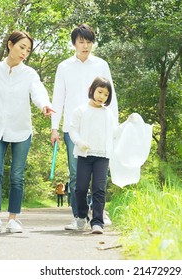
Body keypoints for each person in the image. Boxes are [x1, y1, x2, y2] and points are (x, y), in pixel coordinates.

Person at [0, 31, 54, 233]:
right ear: (10, 45)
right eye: (21, 47)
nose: (24, 53)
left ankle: (13, 219)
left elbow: (38, 91)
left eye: (28, 50)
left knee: (17, 176)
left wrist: (44, 105)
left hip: (21, 130)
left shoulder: (29, 73)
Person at [51, 24, 118, 230]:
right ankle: (79, 217)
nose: (85, 46)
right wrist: (54, 127)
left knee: (99, 174)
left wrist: (115, 126)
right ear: (74, 43)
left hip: (100, 127)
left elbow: (112, 97)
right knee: (76, 175)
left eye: (89, 42)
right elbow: (58, 97)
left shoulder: (101, 64)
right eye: (81, 41)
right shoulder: (64, 67)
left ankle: (98, 214)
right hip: (74, 128)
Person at [69, 77, 117, 234]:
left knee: (98, 189)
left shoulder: (108, 113)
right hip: (84, 155)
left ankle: (97, 222)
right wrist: (79, 142)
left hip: (102, 156)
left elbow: (114, 133)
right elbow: (73, 130)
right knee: (80, 189)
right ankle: (81, 217)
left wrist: (130, 124)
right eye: (100, 92)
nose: (101, 96)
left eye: (106, 94)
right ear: (92, 90)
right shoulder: (81, 111)